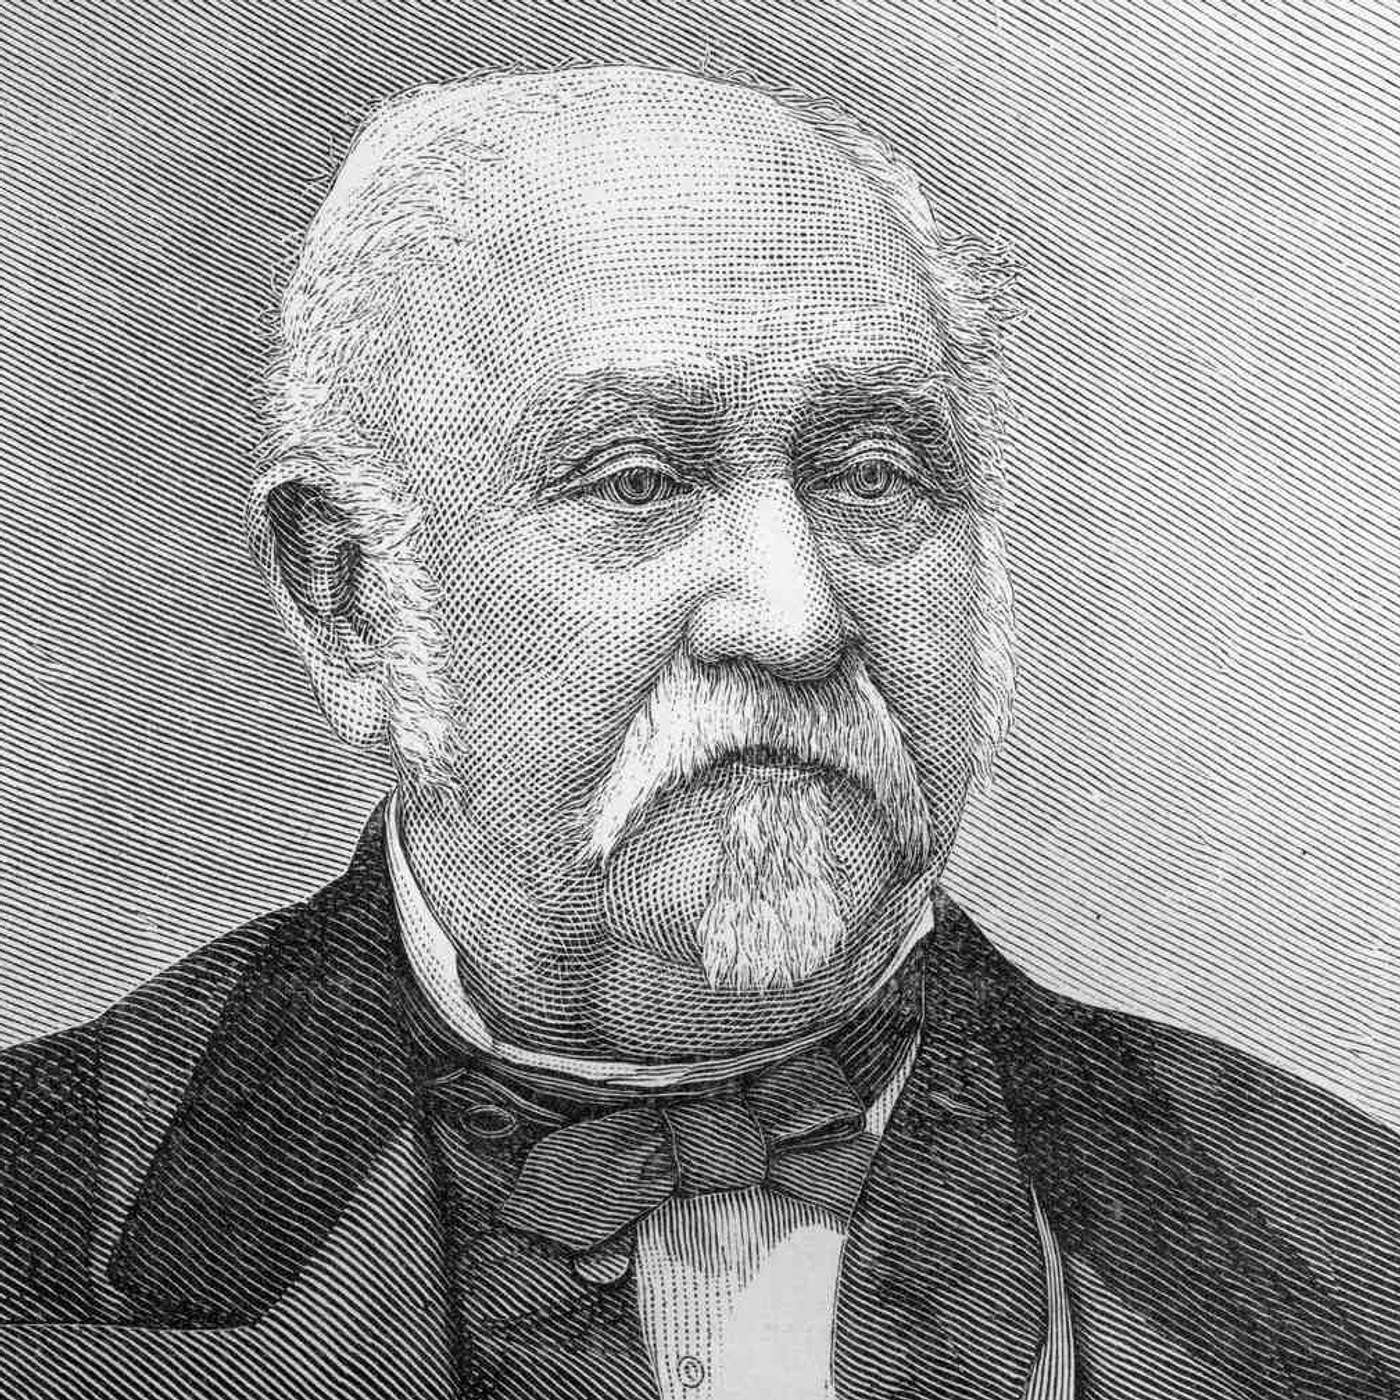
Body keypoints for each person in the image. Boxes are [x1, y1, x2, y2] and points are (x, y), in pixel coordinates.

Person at [1, 64, 1396, 1400]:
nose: (795, 622)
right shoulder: (43, 1199)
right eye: (636, 481)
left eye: (873, 476)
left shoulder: (1345, 1242)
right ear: (353, 599)